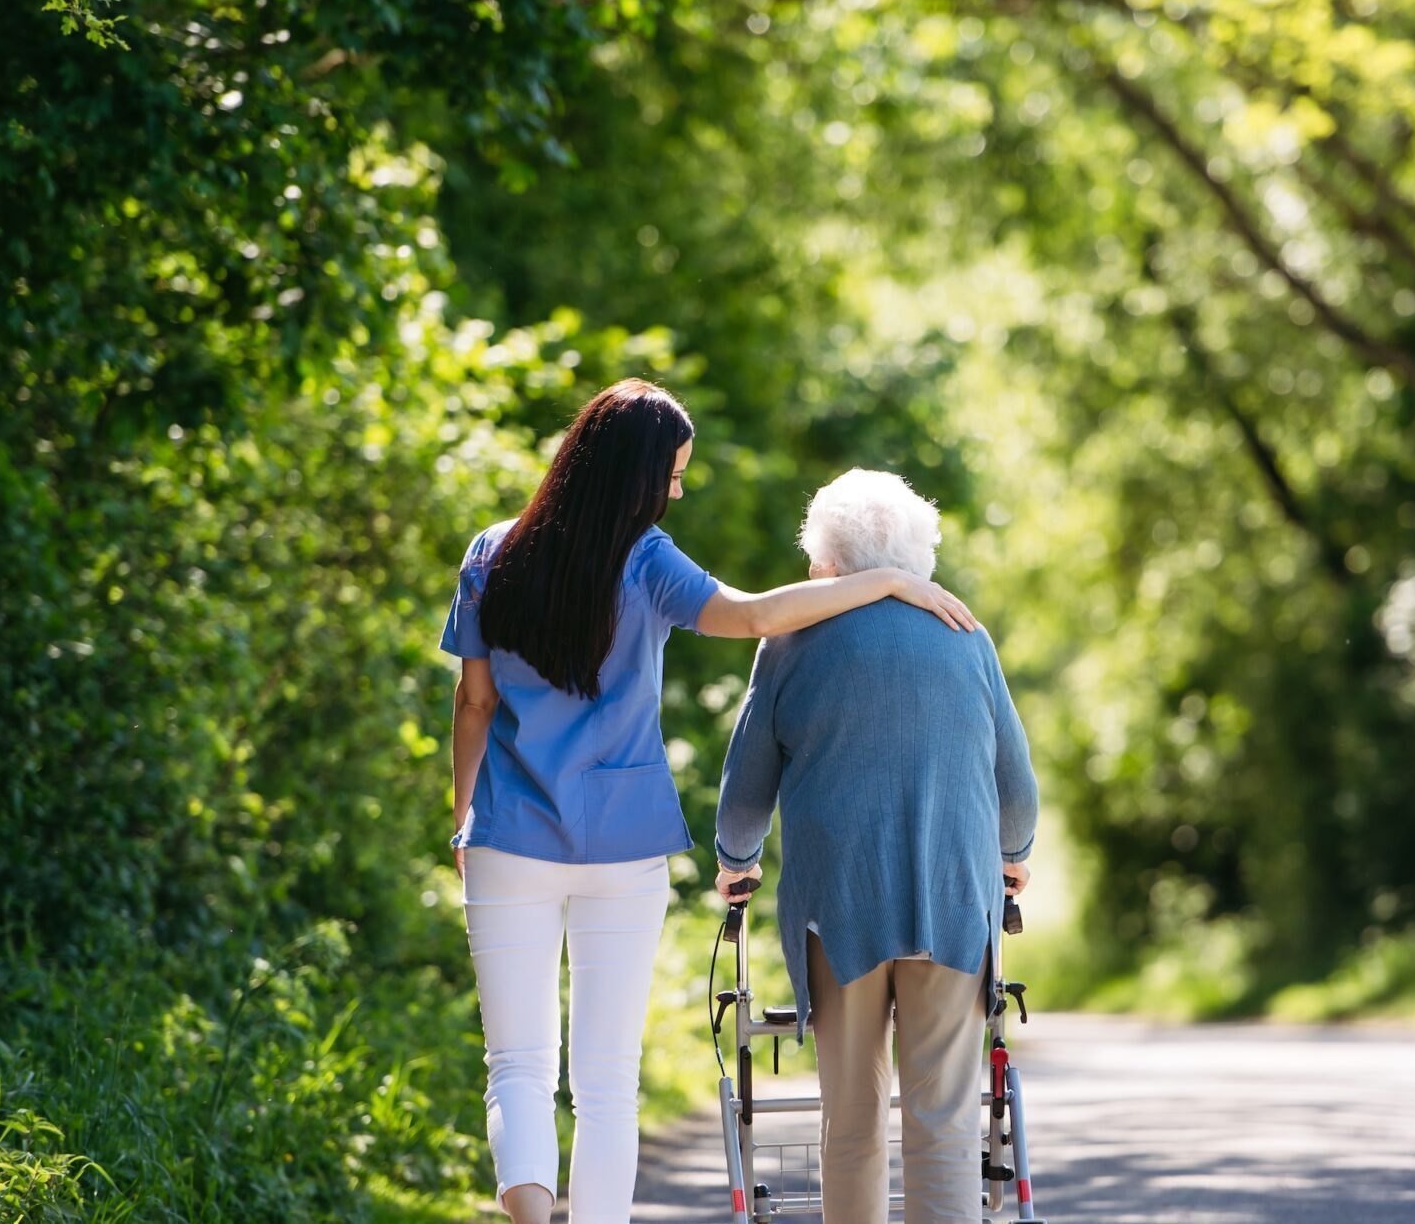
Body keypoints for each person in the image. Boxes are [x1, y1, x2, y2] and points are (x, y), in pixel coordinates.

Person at [439, 382, 978, 1224]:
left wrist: (465, 813)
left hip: (508, 835)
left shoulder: (491, 552)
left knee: (515, 1062)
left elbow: (473, 704)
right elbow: (758, 614)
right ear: (634, 475)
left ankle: (534, 1212)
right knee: (609, 1079)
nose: (678, 490)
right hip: (622, 847)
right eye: (674, 474)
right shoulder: (647, 559)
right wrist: (886, 585)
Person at [713, 467, 1039, 1224]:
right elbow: (1016, 786)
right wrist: (1012, 853)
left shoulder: (792, 640)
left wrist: (737, 861)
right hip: (955, 902)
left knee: (852, 1119)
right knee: (946, 1120)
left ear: (828, 560)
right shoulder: (967, 635)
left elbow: (745, 787)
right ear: (915, 550)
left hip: (841, 907)